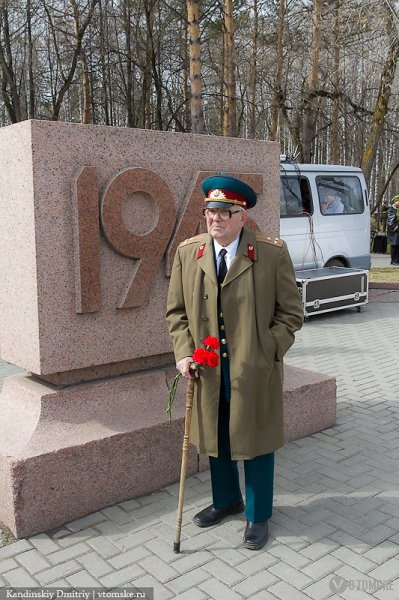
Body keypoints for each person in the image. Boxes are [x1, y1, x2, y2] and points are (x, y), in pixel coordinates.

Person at [166, 174, 303, 550]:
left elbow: (291, 315)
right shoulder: (188, 254)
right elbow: (176, 313)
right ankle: (227, 500)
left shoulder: (271, 254)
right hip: (207, 369)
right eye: (211, 212)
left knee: (255, 440)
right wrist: (183, 353)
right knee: (216, 436)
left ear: (243, 217)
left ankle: (258, 515)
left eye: (225, 213)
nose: (216, 219)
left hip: (252, 370)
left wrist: (266, 351)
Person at [387, 195, 399, 265]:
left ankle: (397, 260)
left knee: (398, 245)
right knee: (395, 245)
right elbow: (390, 220)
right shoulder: (392, 209)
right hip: (395, 230)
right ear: (395, 201)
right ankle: (394, 260)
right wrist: (395, 227)